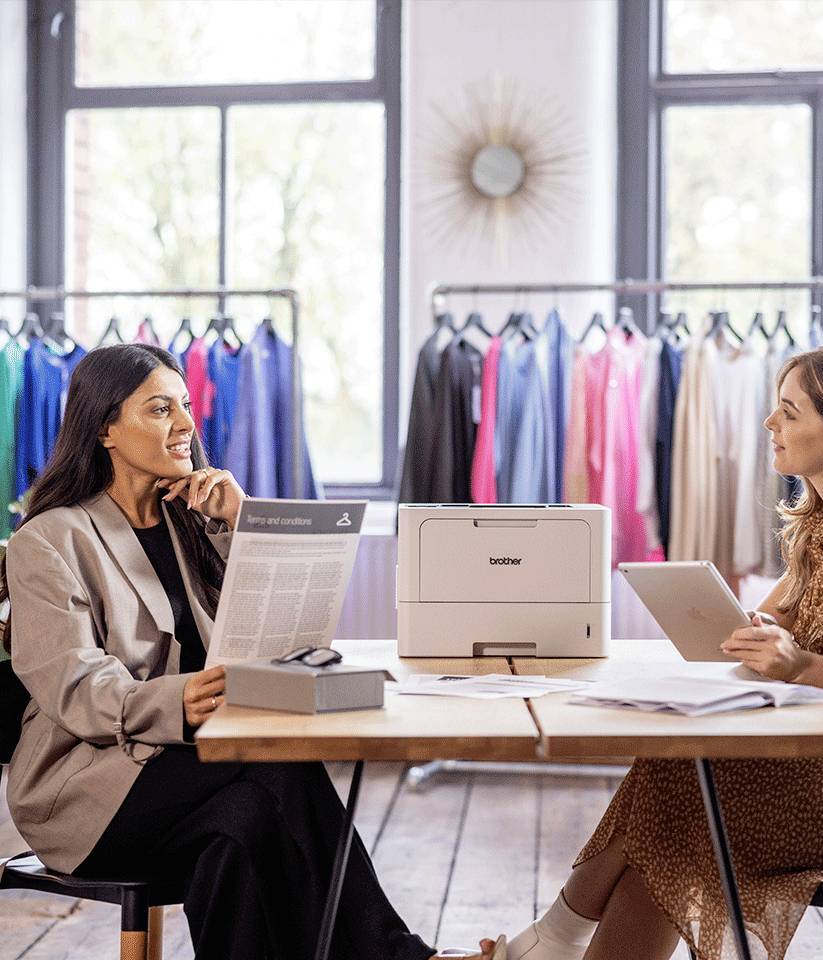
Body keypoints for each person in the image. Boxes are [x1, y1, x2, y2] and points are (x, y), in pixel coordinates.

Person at [2, 344, 501, 960]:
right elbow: (73, 684)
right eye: (161, 410)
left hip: (194, 768)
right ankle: (405, 958)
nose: (187, 423)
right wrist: (176, 697)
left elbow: (278, 628)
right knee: (276, 768)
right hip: (88, 787)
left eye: (186, 406)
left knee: (239, 834)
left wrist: (243, 519)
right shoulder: (49, 539)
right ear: (104, 427)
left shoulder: (190, 522)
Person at [494, 346, 823, 960]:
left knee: (684, 798)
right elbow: (775, 622)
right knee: (678, 787)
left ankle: (551, 940)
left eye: (789, 412)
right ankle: (552, 942)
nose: (771, 424)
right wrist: (750, 631)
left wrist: (803, 666)